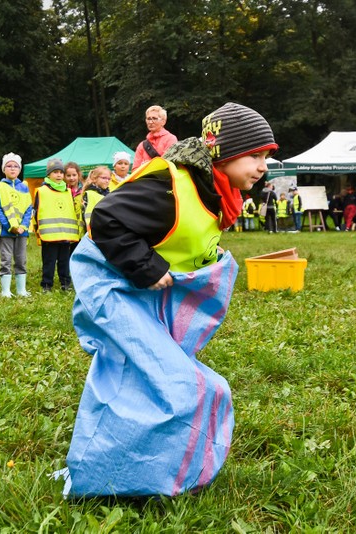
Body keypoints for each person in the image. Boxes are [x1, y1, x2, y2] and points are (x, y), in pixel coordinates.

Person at [59, 102, 278, 498]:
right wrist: (145, 264)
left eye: (266, 156)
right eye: (256, 155)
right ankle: (113, 477)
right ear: (224, 154)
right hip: (114, 284)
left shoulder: (215, 193)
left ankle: (124, 469)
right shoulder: (169, 188)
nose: (263, 166)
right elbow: (106, 219)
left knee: (135, 382)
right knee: (182, 385)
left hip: (140, 289)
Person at [32, 158, 77, 292]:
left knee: (64, 261)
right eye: (55, 172)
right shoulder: (41, 191)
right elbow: (36, 213)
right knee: (49, 262)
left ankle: (65, 284)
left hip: (65, 233)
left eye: (60, 172)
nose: (59, 175)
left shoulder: (68, 192)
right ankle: (47, 284)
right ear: (48, 175)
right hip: (49, 234)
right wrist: (37, 231)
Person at [0, 152, 32, 298]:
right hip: (5, 231)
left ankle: (21, 290)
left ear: (19, 170)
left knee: (21, 260)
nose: (12, 169)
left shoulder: (24, 187)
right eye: (9, 166)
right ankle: (6, 291)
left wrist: (23, 226)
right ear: (4, 169)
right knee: (6, 259)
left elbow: (29, 209)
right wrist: (10, 226)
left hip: (22, 231)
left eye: (15, 166)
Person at [131, 105, 178, 171]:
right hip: (144, 180)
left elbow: (167, 165)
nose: (150, 122)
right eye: (148, 119)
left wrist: (146, 166)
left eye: (154, 118)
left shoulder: (171, 139)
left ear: (163, 121)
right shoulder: (141, 145)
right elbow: (135, 170)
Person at [80, 165, 111, 234]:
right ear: (94, 179)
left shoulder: (109, 195)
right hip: (92, 233)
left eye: (109, 179)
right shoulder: (89, 194)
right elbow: (87, 217)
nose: (107, 181)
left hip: (105, 232)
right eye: (104, 178)